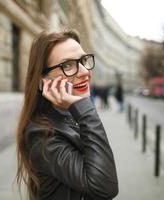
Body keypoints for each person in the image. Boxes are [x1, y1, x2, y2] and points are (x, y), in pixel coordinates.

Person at [16, 29, 118, 200]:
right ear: (43, 81)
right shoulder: (41, 135)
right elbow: (104, 187)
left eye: (84, 60)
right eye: (67, 65)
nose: (85, 71)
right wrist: (86, 110)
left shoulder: (71, 114)